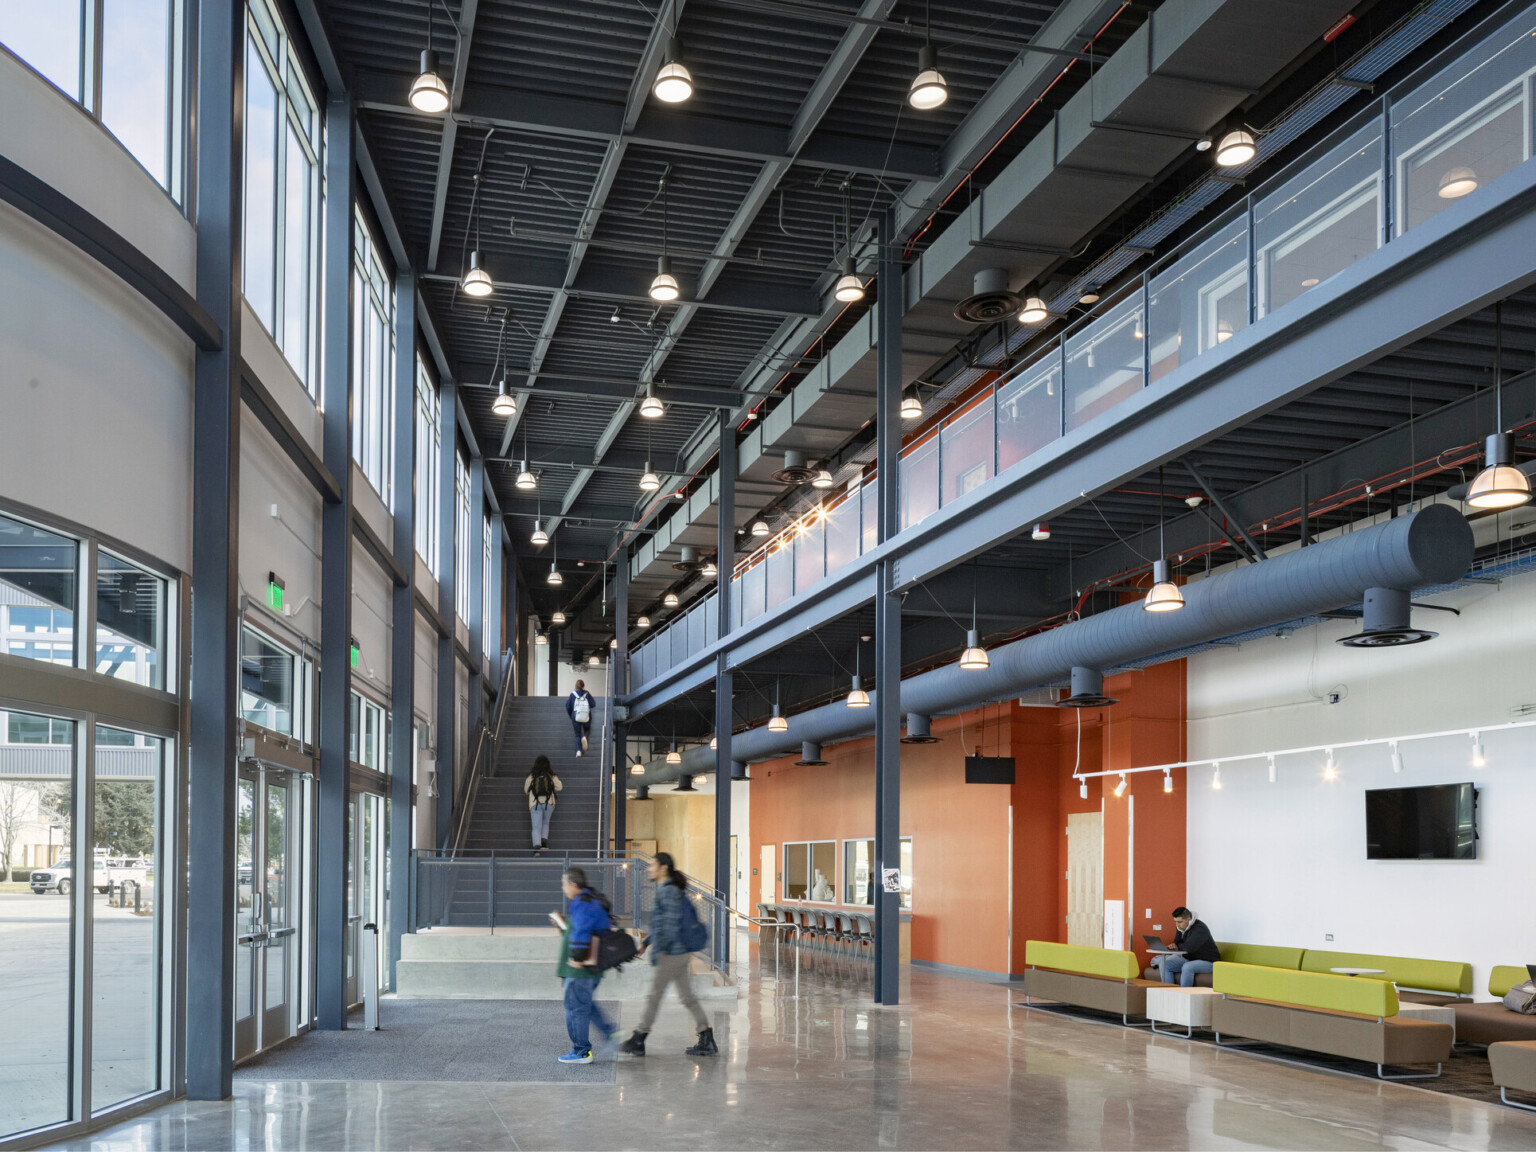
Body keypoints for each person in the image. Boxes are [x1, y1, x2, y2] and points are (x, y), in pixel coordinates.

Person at [619, 852, 717, 1058]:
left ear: (663, 868)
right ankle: (706, 1037)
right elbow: (663, 923)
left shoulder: (668, 891)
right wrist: (646, 943)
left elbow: (670, 927)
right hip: (678, 952)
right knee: (687, 997)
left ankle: (639, 1038)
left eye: (652, 865)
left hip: (671, 954)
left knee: (654, 996)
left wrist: (659, 952)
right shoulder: (668, 890)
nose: (649, 868)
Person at [552, 867, 618, 1064]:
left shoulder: (581, 902)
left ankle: (581, 1051)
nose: (563, 888)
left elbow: (582, 931)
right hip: (595, 964)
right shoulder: (591, 899)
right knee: (584, 1005)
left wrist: (578, 958)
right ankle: (610, 1033)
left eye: (564, 884)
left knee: (576, 1008)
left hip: (583, 966)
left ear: (573, 885)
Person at [1159, 906, 1221, 987]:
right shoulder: (1181, 928)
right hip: (1190, 959)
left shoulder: (1199, 928)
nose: (1177, 925)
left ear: (1188, 918)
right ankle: (1169, 992)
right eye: (1176, 922)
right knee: (1164, 964)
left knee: (1187, 967)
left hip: (1208, 962)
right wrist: (1173, 945)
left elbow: (1189, 947)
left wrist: (1177, 946)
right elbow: (1177, 943)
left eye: (1180, 922)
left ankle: (1183, 996)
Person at [524, 755, 562, 849]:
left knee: (536, 826)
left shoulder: (532, 776)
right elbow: (560, 787)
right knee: (545, 822)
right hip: (549, 803)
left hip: (535, 804)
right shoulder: (551, 775)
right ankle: (544, 843)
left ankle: (536, 847)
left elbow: (526, 790)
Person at [566, 679, 596, 757]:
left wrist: (571, 716)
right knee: (587, 730)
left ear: (576, 685)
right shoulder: (587, 694)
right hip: (586, 717)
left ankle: (579, 751)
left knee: (577, 735)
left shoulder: (572, 694)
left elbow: (568, 707)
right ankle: (585, 737)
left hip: (575, 717)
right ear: (583, 686)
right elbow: (593, 704)